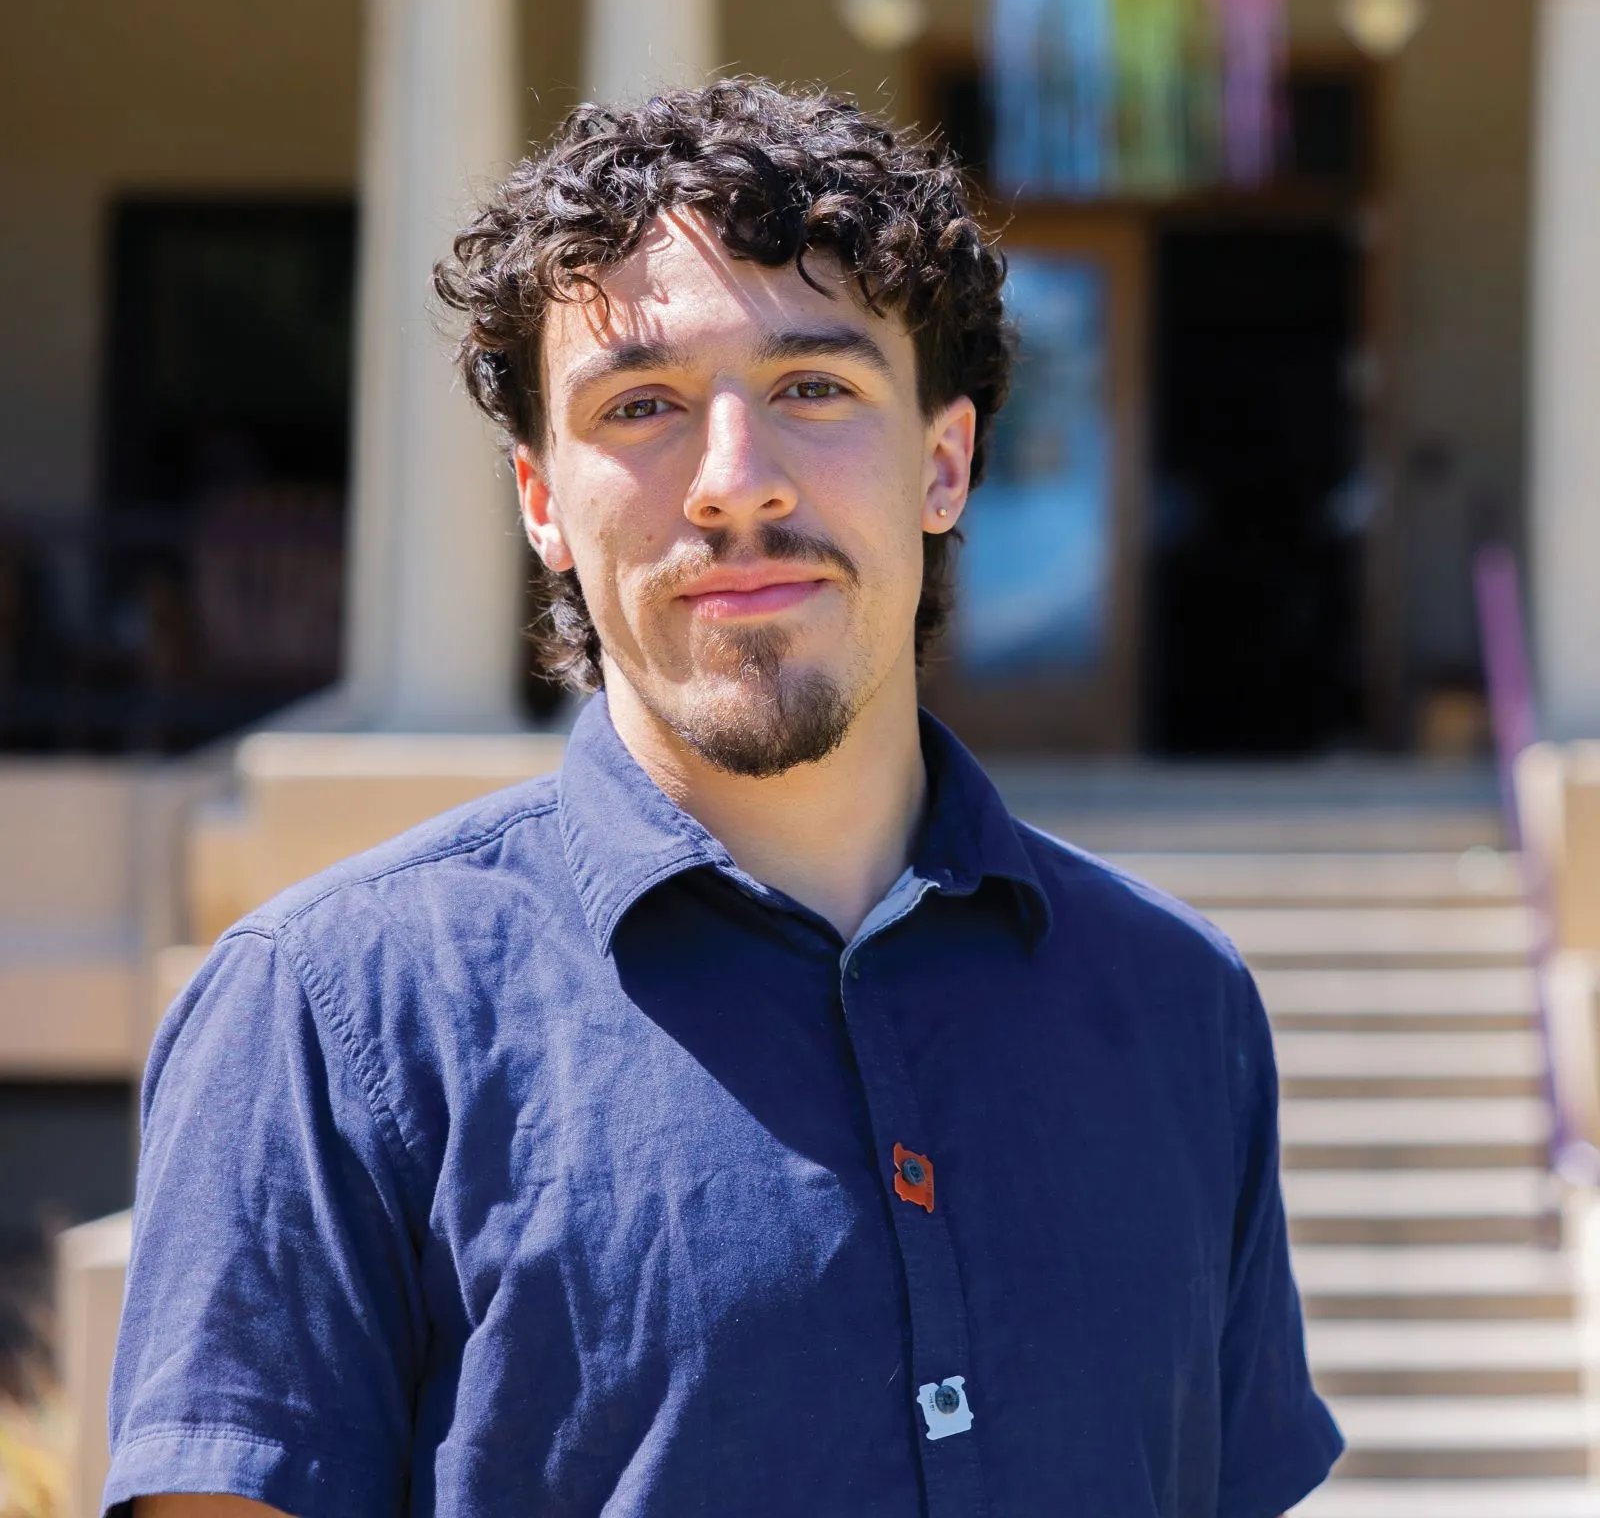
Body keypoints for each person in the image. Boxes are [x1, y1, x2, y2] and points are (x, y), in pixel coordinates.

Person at [105, 78, 1343, 1518]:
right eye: (643, 407)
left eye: (815, 388)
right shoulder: (328, 1021)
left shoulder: (1178, 1001)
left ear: (943, 461)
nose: (732, 484)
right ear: (541, 505)